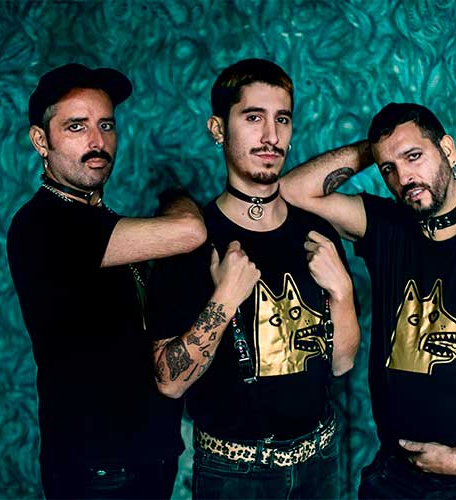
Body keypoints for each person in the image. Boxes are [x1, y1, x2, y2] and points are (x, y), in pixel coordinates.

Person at [281, 102, 456, 499]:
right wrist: (377, 148)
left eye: (414, 156)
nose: (404, 178)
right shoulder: (385, 226)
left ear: (447, 150)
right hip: (393, 478)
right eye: (389, 169)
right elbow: (292, 191)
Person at [148, 58, 360, 499]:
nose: (271, 136)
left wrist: (342, 292)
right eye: (253, 118)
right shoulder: (191, 241)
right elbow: (169, 380)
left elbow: (341, 363)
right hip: (233, 473)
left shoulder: (317, 232)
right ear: (218, 129)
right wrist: (225, 298)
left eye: (282, 119)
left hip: (320, 461)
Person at [7, 63, 206, 499]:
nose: (97, 141)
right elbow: (190, 231)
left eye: (106, 125)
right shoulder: (44, 224)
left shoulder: (103, 220)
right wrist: (175, 196)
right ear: (41, 140)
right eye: (76, 127)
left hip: (148, 459)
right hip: (97, 472)